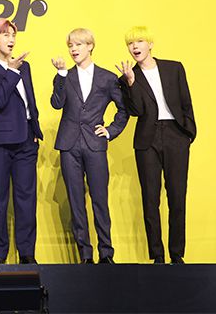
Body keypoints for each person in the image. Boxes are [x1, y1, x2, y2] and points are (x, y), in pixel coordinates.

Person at [116, 26, 196, 264]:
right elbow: (136, 111)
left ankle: (177, 254)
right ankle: (157, 255)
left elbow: (186, 102)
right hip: (147, 139)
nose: (135, 46)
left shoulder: (174, 68)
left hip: (175, 134)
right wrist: (131, 83)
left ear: (150, 44)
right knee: (150, 199)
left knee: (177, 196)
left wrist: (188, 133)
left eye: (139, 41)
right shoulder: (127, 77)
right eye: (130, 43)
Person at [51, 28, 129, 264]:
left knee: (99, 200)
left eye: (78, 44)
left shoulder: (107, 78)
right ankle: (85, 255)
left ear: (90, 46)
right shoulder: (65, 76)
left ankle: (106, 253)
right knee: (76, 201)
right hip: (69, 145)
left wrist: (110, 131)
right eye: (70, 46)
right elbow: (56, 103)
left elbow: (123, 110)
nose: (73, 49)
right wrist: (60, 75)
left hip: (95, 144)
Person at [0, 18, 43, 264]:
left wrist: (35, 128)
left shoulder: (25, 66)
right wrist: (11, 71)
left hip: (26, 141)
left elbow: (30, 99)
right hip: (0, 143)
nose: (11, 40)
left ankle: (27, 254)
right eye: (5, 35)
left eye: (13, 35)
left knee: (26, 200)